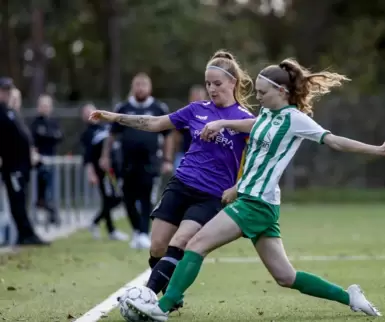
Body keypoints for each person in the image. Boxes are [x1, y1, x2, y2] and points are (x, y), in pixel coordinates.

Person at [126, 59, 385, 321]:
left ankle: (162, 306)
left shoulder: (296, 119)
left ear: (281, 91)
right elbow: (254, 134)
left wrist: (376, 149)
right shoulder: (269, 113)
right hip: (258, 201)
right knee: (286, 276)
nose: (257, 97)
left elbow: (335, 141)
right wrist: (225, 129)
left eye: (262, 92)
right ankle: (350, 297)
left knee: (196, 244)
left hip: (256, 203)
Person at [89, 50, 254, 310]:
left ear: (233, 82)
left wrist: (224, 126)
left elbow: (264, 133)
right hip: (181, 184)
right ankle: (171, 293)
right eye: (208, 83)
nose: (211, 89)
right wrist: (114, 117)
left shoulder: (245, 119)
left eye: (217, 84)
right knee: (157, 247)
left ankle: (145, 298)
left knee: (180, 242)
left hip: (212, 195)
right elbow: (155, 123)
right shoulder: (196, 110)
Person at [100, 73, 175, 249]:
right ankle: (136, 230)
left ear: (150, 88)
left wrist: (167, 159)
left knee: (147, 198)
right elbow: (111, 135)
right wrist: (105, 156)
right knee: (127, 198)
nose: (140, 88)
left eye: (144, 84)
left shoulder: (159, 108)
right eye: (137, 85)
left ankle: (143, 232)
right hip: (126, 163)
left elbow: (169, 136)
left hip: (150, 163)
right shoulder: (123, 107)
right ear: (132, 87)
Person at [0, 78, 48, 246]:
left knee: (21, 200)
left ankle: (25, 233)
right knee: (17, 201)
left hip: (22, 165)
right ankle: (24, 234)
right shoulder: (3, 113)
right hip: (12, 166)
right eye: (4, 91)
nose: (7, 94)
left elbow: (22, 138)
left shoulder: (11, 113)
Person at [80, 103, 129, 241]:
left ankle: (101, 225)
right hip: (102, 171)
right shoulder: (87, 134)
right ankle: (106, 227)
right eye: (86, 113)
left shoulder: (106, 127)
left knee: (117, 198)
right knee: (110, 199)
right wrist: (91, 173)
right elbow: (87, 157)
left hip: (115, 169)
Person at [30, 94, 62, 226]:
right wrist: (49, 136)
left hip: (52, 159)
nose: (45, 108)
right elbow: (35, 138)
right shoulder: (35, 123)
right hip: (39, 161)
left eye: (47, 105)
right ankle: (38, 214)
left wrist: (46, 135)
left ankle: (53, 214)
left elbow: (59, 136)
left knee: (52, 189)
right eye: (42, 105)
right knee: (39, 191)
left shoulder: (54, 122)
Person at [172, 85, 208, 170]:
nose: (197, 100)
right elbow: (176, 135)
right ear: (190, 98)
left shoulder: (210, 116)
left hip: (203, 157)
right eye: (195, 97)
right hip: (184, 154)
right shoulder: (184, 115)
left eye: (200, 97)